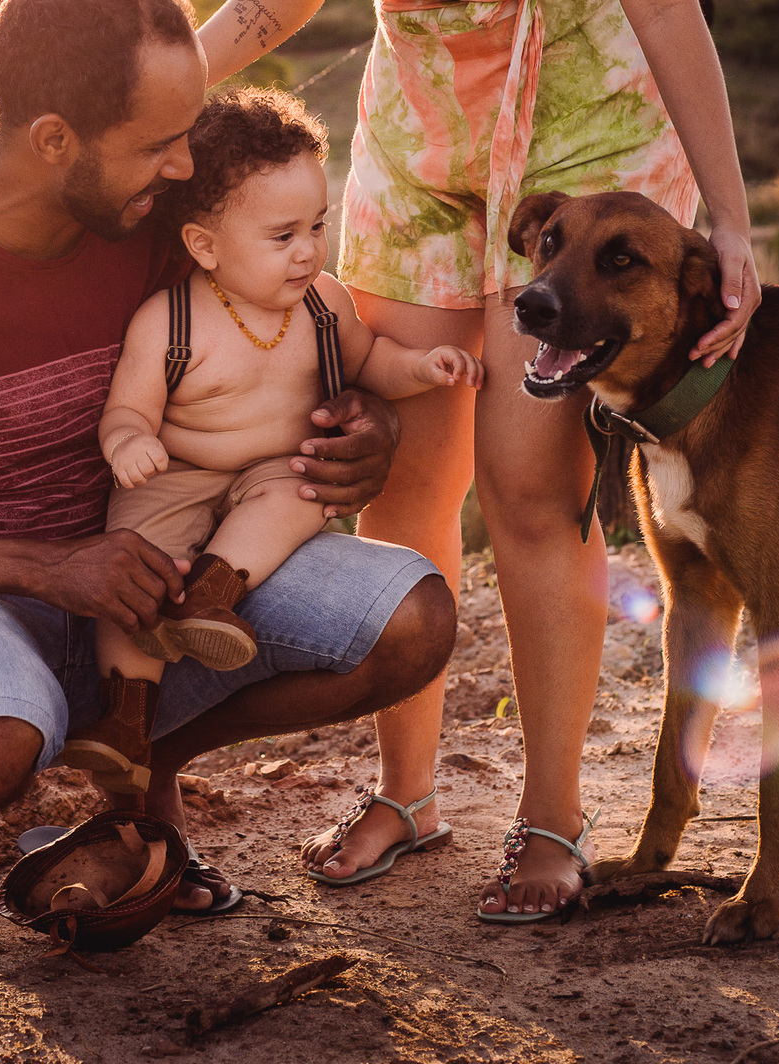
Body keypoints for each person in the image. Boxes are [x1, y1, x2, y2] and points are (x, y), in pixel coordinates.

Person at [197, 0, 761, 921]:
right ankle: (408, 796)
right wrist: (148, 106)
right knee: (401, 474)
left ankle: (556, 821)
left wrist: (732, 224)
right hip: (414, 141)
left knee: (525, 486)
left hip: (581, 147)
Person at [0, 0, 456, 970]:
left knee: (411, 623)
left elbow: (291, 338)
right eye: (160, 144)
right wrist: (37, 566)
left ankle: (135, 769)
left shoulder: (157, 219)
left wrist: (365, 424)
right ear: (51, 139)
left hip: (142, 574)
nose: (186, 167)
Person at [63, 86, 482, 793]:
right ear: (205, 245)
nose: (308, 252)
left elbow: (366, 360)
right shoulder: (171, 323)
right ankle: (125, 718)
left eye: (316, 226)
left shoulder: (325, 304)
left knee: (301, 491)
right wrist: (129, 443)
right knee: (133, 580)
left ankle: (209, 594)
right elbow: (127, 410)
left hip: (269, 472)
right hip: (175, 477)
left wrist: (420, 367)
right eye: (282, 237)